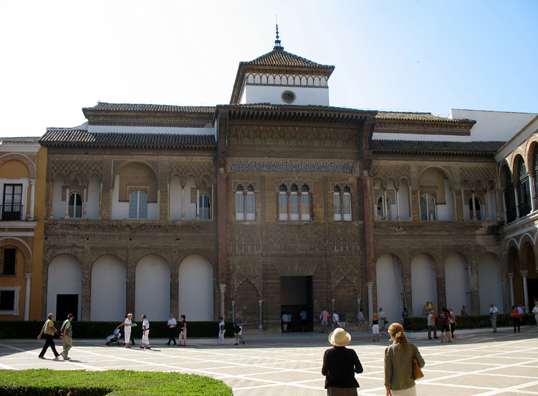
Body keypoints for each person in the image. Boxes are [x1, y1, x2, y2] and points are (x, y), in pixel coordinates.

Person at [384, 323, 425, 396]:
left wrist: (387, 387)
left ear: (391, 334)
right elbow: (421, 363)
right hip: (410, 385)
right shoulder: (412, 347)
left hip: (396, 386)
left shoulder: (390, 349)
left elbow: (388, 370)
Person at [321, 328, 363, 395]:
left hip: (333, 387)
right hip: (350, 386)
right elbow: (359, 370)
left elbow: (324, 372)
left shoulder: (328, 353)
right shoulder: (351, 352)